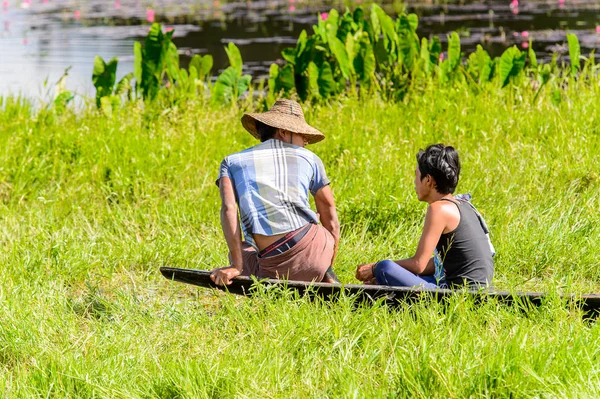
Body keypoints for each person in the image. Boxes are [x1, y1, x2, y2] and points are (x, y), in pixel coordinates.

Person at [211, 99, 340, 286]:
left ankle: (246, 269)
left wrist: (236, 266)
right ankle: (326, 276)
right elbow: (331, 216)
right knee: (319, 217)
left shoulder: (231, 161)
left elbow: (229, 210)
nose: (305, 141)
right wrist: (323, 262)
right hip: (313, 255)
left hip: (271, 266)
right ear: (284, 132)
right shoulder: (310, 158)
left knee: (242, 251)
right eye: (301, 135)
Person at [355, 144, 494, 289]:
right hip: (476, 293)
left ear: (428, 180)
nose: (415, 182)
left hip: (458, 295)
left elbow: (418, 264)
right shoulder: (463, 205)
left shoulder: (439, 209)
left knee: (385, 267)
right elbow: (438, 264)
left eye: (416, 175)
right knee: (395, 273)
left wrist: (374, 268)